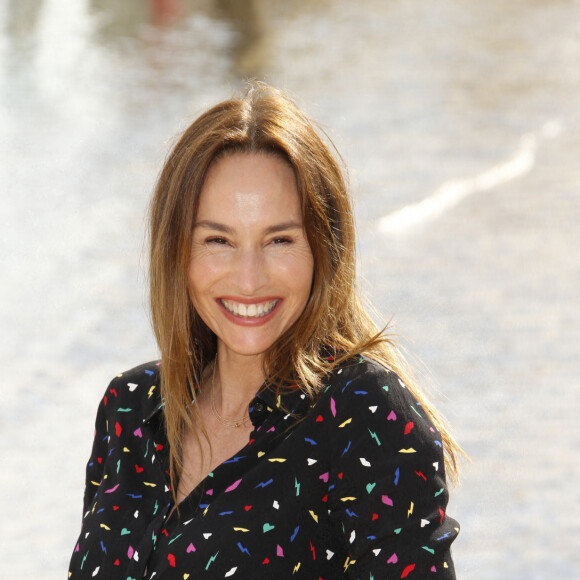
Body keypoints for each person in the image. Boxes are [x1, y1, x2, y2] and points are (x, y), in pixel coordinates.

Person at [68, 82, 462, 579]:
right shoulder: (129, 409)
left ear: (323, 248)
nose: (249, 278)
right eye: (218, 240)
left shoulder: (365, 416)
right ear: (177, 253)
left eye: (278, 240)